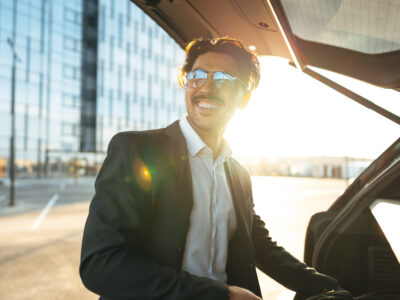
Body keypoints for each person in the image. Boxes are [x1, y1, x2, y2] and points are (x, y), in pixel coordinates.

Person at [80, 37, 342, 300]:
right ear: (186, 85)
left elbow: (261, 247)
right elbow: (101, 263)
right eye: (198, 76)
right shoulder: (137, 150)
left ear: (244, 98)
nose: (207, 88)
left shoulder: (238, 173)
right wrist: (220, 295)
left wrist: (328, 286)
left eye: (224, 79)